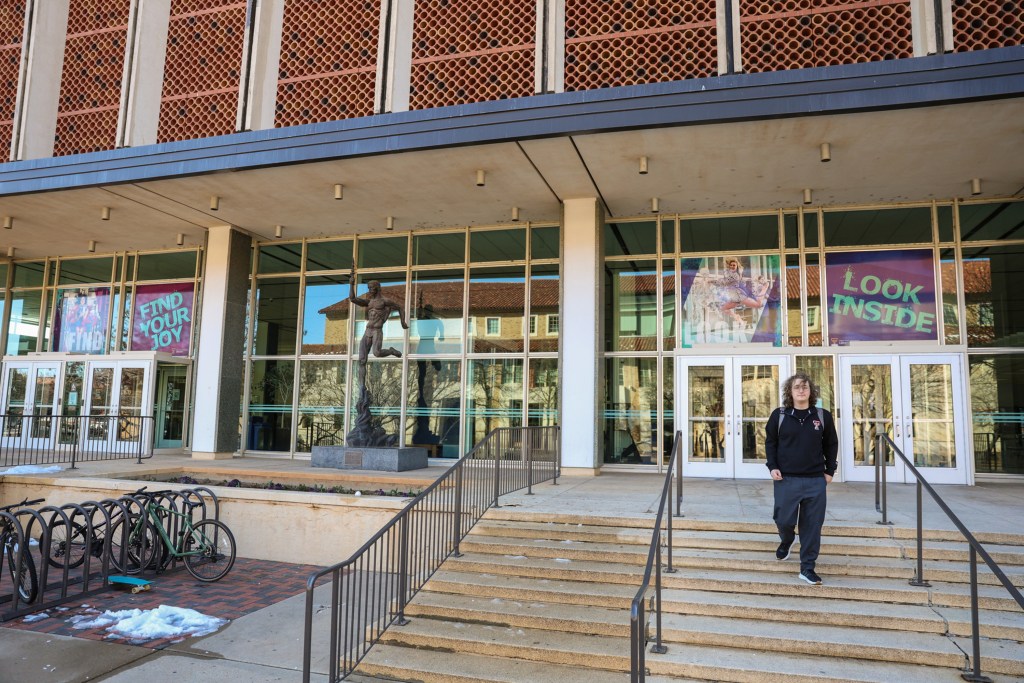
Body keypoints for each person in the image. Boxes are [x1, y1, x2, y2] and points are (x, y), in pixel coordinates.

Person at [765, 373, 838, 585]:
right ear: (790, 391)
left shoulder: (822, 416)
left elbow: (831, 444)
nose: (801, 390)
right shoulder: (779, 415)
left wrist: (830, 470)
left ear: (811, 391)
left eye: (805, 387)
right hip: (786, 479)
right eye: (796, 387)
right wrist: (772, 466)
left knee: (812, 525)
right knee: (783, 520)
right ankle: (787, 540)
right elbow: (770, 443)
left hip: (815, 480)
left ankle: (807, 567)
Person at [349, 276, 409, 389]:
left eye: (371, 288)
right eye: (368, 288)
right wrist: (351, 285)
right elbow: (352, 299)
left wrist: (402, 322)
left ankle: (391, 351)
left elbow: (400, 308)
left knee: (377, 353)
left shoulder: (385, 301)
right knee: (362, 360)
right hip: (368, 331)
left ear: (377, 288)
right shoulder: (369, 302)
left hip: (377, 330)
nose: (369, 290)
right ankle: (362, 387)